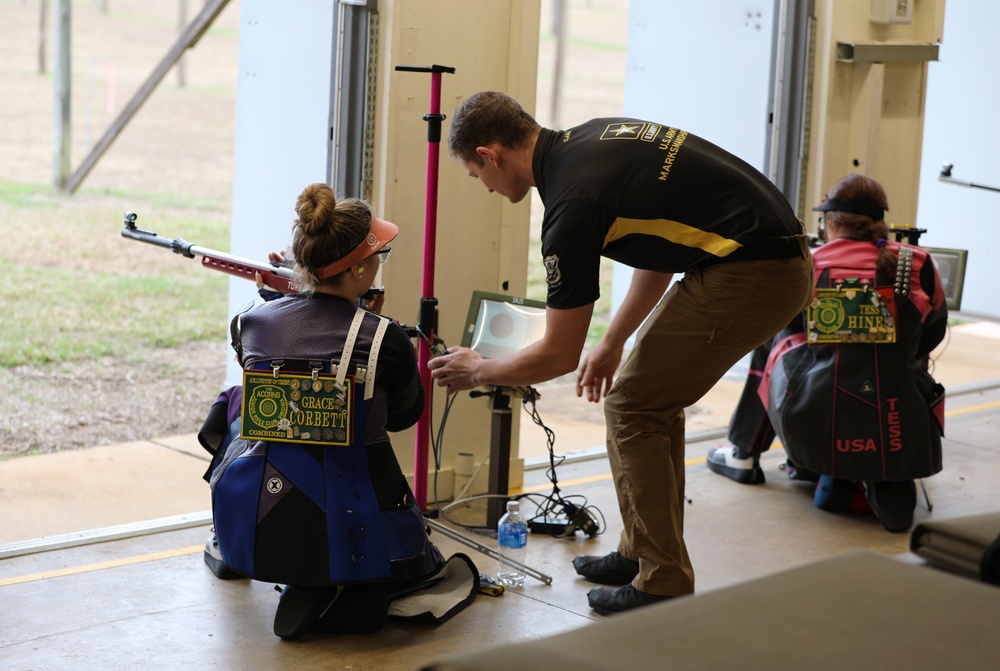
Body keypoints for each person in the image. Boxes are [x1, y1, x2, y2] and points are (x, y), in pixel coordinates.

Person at [427, 91, 814, 614]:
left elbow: (559, 353)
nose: (487, 187)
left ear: (490, 154)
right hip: (757, 256)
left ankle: (663, 579)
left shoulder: (571, 204)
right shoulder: (591, 138)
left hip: (753, 271)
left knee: (634, 406)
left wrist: (480, 370)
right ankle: (641, 551)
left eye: (477, 176)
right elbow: (659, 246)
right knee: (648, 402)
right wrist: (612, 341)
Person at [198, 183, 476, 638]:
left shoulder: (248, 322)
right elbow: (405, 416)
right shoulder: (381, 336)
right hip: (352, 524)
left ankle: (239, 544)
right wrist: (372, 327)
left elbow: (280, 361)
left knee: (233, 403)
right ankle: (344, 588)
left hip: (257, 517)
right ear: (362, 270)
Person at [706, 173, 948, 533]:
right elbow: (934, 332)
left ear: (830, 222)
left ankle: (744, 453)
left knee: (770, 339)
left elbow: (782, 326)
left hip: (816, 415)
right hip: (900, 416)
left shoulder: (810, 264)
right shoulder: (917, 262)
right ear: (881, 221)